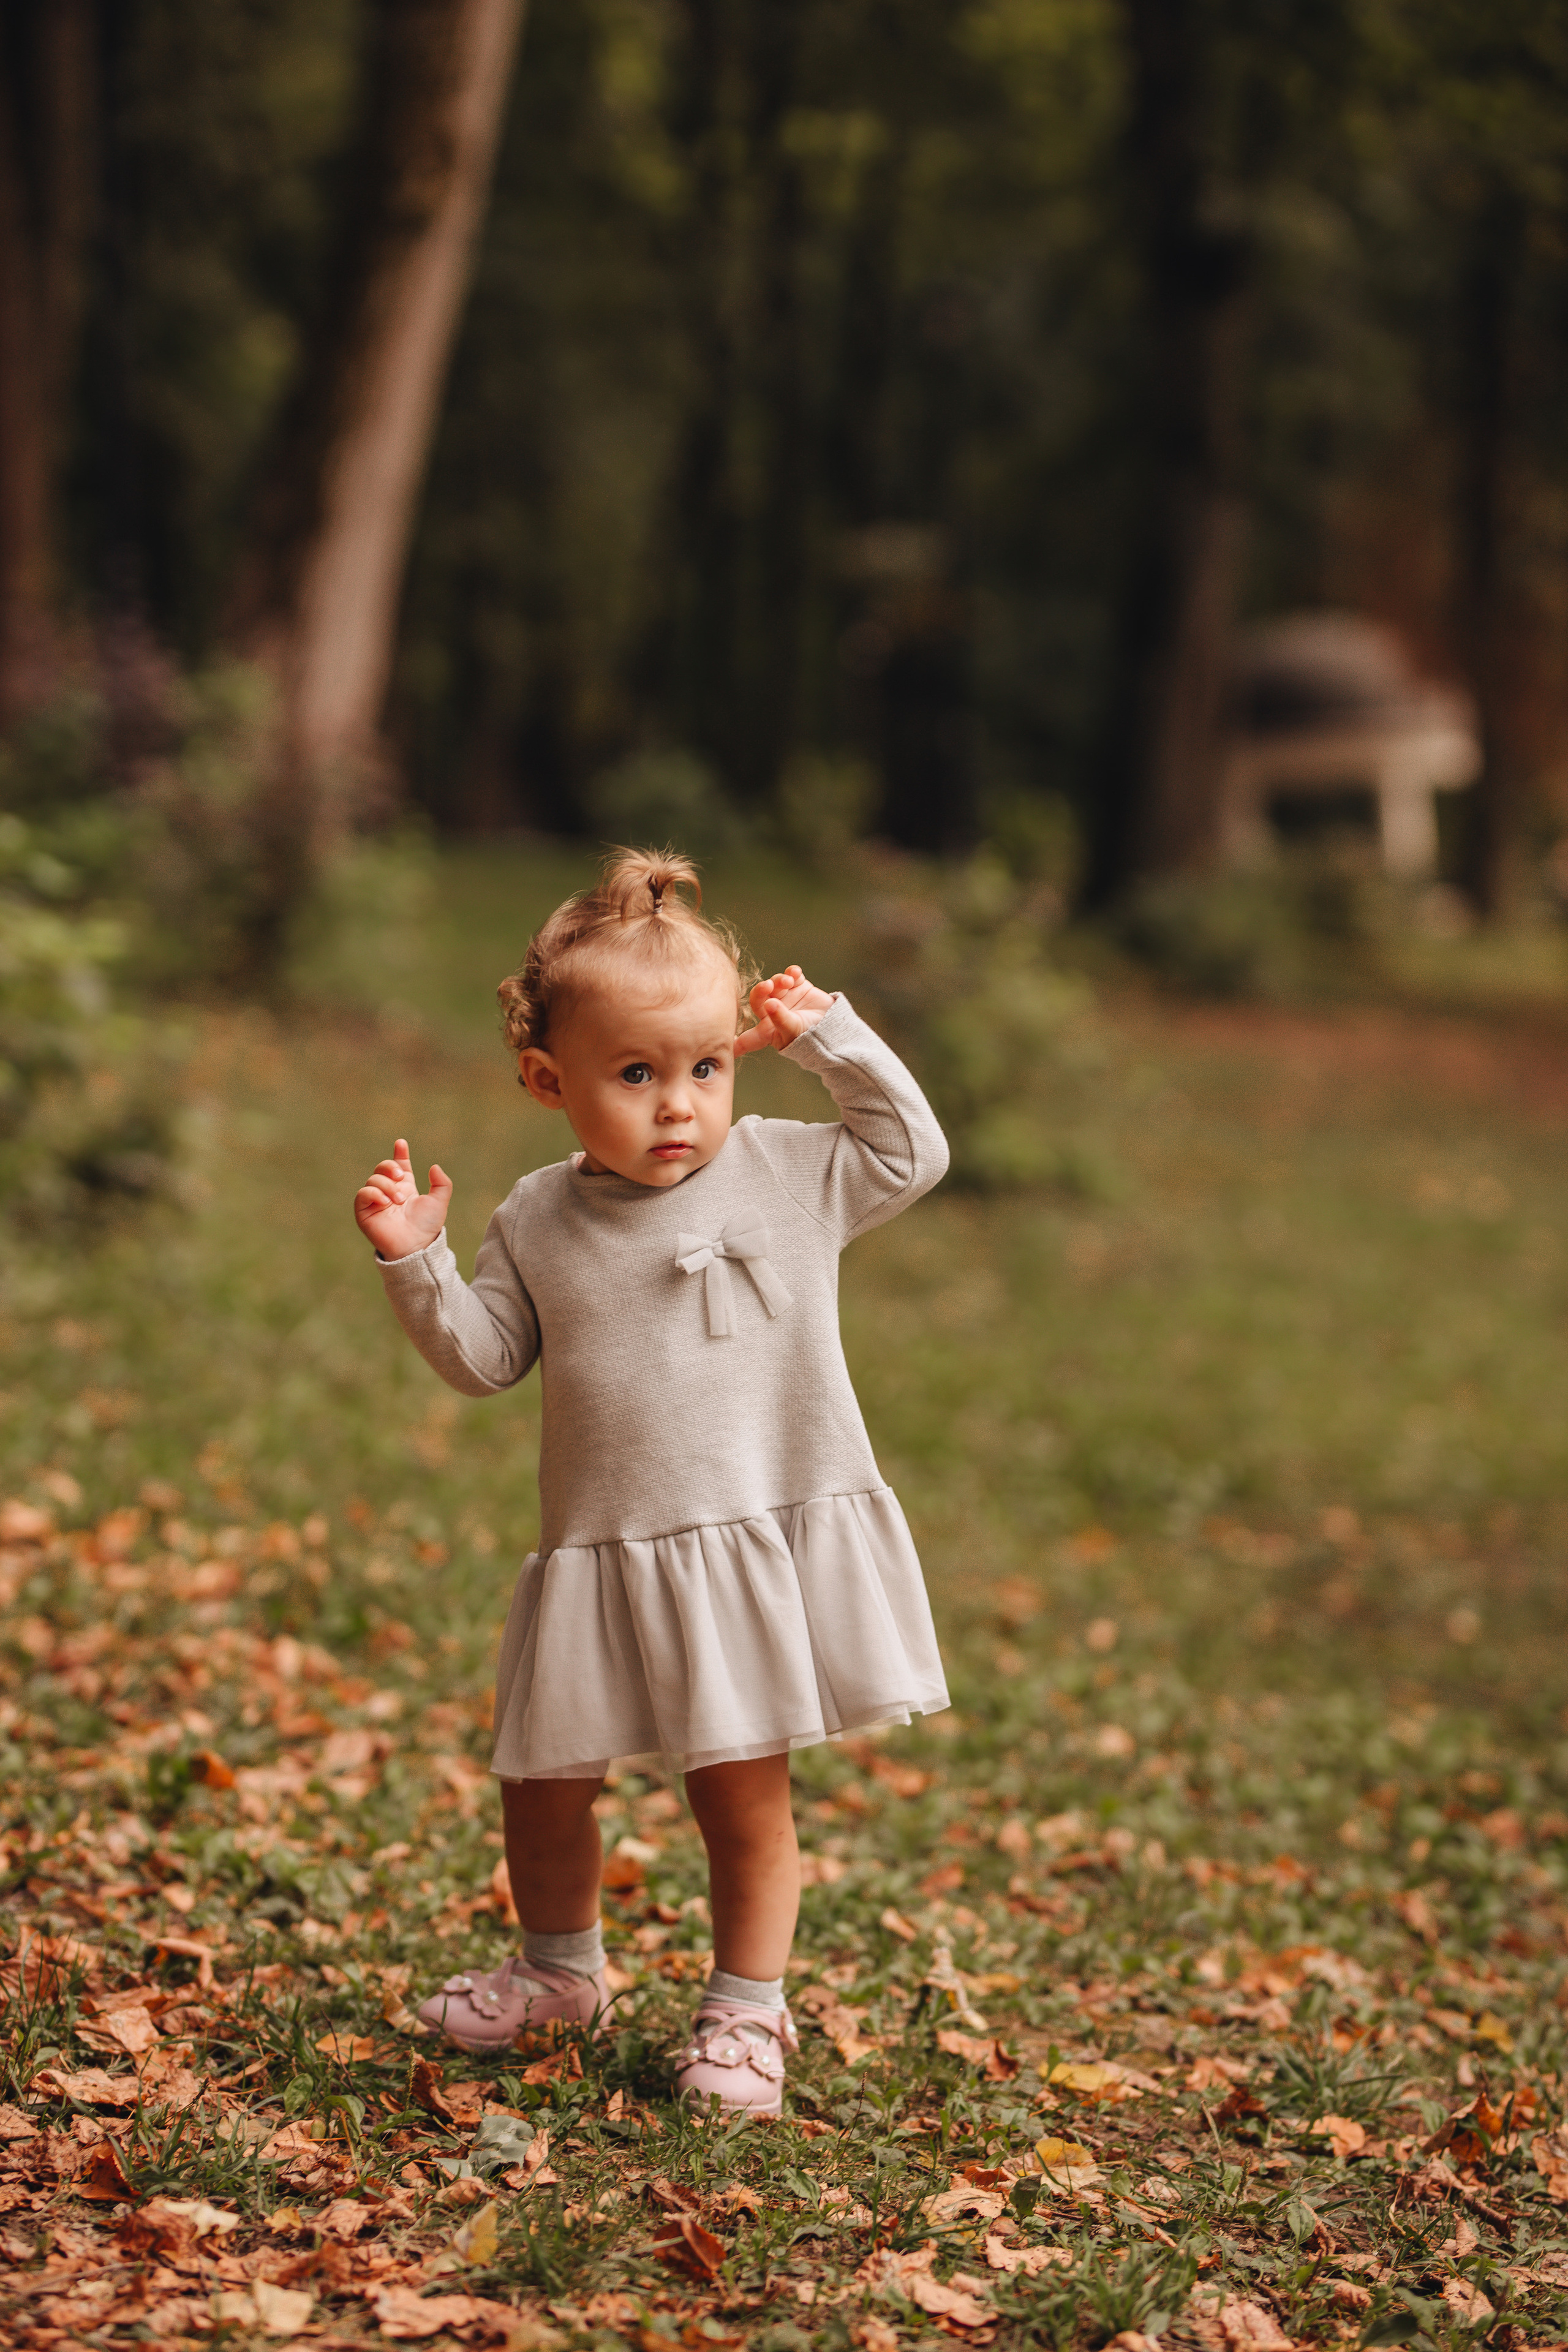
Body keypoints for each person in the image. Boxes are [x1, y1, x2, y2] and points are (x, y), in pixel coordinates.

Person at [352, 848, 949, 2114]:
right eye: (634, 1075)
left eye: (704, 1068)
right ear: (545, 1080)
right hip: (600, 1549)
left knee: (737, 1795)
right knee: (543, 1781)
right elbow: (484, 1359)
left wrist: (829, 1037)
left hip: (740, 1546)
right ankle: (558, 1972)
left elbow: (913, 1154)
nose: (677, 1104)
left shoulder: (787, 1171)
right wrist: (420, 1265)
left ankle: (744, 2013)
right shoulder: (535, 1217)